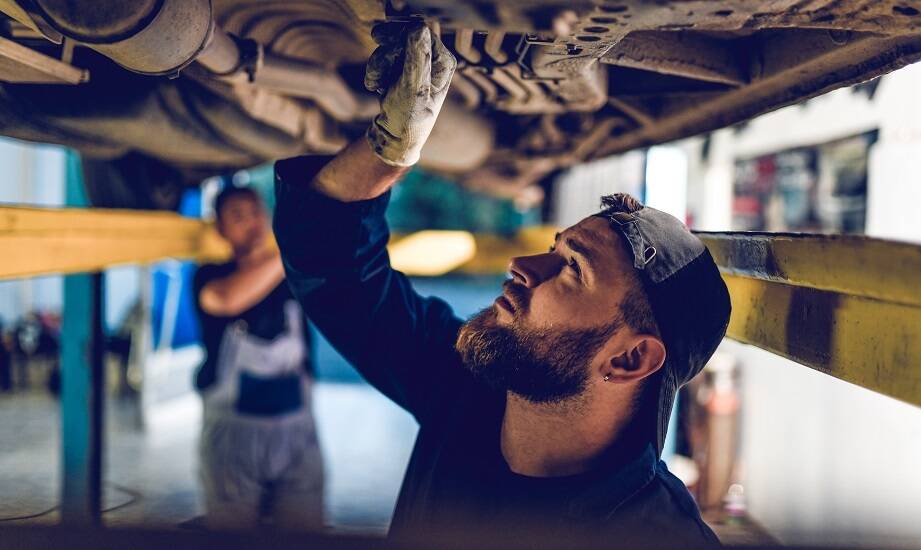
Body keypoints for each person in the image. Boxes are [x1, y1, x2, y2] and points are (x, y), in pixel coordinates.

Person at [273, 23, 730, 546]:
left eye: (573, 268)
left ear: (628, 359)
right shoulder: (473, 388)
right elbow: (334, 268)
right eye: (554, 250)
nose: (522, 265)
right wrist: (389, 150)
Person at [193, 186, 323, 531]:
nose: (252, 221)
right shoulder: (210, 277)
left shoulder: (295, 280)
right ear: (220, 228)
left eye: (256, 212)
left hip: (298, 438)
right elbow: (227, 299)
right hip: (233, 443)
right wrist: (291, 250)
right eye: (238, 215)